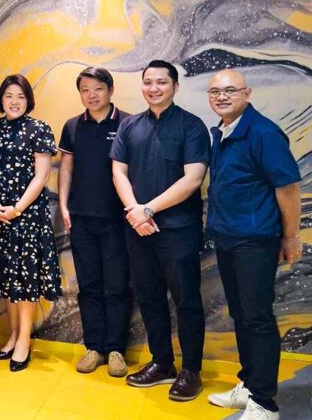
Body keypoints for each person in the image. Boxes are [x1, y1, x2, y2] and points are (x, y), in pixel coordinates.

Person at [110, 60, 210, 401]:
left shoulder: (192, 126)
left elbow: (193, 179)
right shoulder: (129, 126)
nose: (154, 88)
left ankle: (191, 370)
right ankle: (162, 363)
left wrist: (148, 209)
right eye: (148, 82)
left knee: (187, 301)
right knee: (149, 298)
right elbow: (118, 172)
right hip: (138, 230)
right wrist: (136, 213)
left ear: (175, 87)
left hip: (178, 230)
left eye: (161, 82)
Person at [205, 69, 301, 420]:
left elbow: (288, 188)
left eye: (230, 90)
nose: (222, 96)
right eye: (215, 91)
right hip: (228, 237)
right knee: (241, 314)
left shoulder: (263, 133)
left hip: (255, 241)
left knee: (257, 317)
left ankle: (265, 402)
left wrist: (290, 237)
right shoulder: (223, 131)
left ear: (247, 93)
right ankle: (249, 384)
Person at [0, 74, 61, 372]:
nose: (14, 102)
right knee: (7, 277)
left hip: (27, 215)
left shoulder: (38, 128)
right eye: (9, 96)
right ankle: (13, 335)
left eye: (20, 96)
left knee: (25, 280)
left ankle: (24, 342)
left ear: (28, 100)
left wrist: (17, 209)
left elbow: (42, 176)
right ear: (1, 99)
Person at [58, 67, 131, 377]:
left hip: (117, 220)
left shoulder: (128, 123)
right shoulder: (73, 126)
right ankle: (94, 348)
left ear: (110, 90)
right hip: (81, 219)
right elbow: (66, 168)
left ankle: (115, 350)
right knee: (88, 286)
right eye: (85, 90)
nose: (92, 95)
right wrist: (64, 206)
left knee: (116, 286)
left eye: (98, 88)